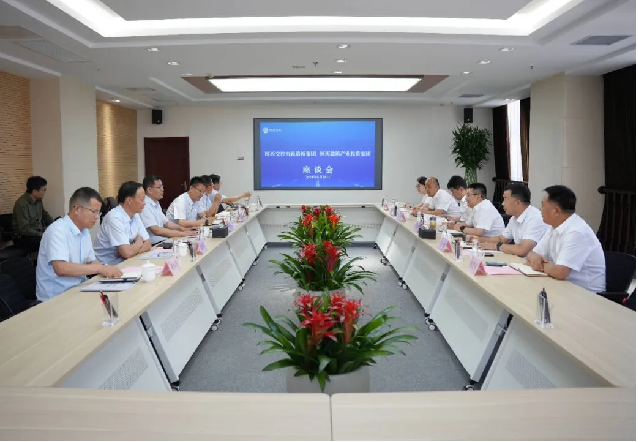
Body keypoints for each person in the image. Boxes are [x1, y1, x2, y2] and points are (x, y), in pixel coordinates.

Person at [36, 187, 122, 301]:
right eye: (94, 212)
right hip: (56, 298)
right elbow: (61, 268)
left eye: (99, 212)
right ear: (77, 209)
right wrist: (100, 268)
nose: (97, 217)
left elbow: (91, 261)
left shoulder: (84, 231)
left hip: (78, 289)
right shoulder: (57, 231)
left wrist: (107, 268)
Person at [526, 185, 606, 292]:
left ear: (556, 211)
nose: (540, 209)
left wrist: (538, 264)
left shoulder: (576, 232)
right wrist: (536, 260)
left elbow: (560, 272)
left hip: (587, 294)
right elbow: (531, 253)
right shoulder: (554, 227)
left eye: (543, 205)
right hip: (564, 286)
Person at [478, 183, 548, 257]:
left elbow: (522, 250)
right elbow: (502, 239)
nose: (502, 203)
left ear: (517, 202)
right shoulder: (514, 218)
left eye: (505, 199)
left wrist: (497, 246)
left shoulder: (535, 218)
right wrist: (477, 240)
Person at [94, 181, 152, 265]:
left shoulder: (135, 215)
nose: (144, 203)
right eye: (142, 199)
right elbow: (127, 253)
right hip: (107, 266)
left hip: (126, 261)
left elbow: (148, 243)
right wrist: (139, 242)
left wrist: (130, 251)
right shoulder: (114, 217)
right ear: (129, 200)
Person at [140, 175, 193, 245]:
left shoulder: (156, 203)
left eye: (162, 186)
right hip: (153, 243)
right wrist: (181, 233)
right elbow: (156, 230)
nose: (162, 189)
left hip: (162, 239)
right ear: (149, 190)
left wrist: (182, 229)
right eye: (159, 187)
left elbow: (167, 223)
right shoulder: (144, 205)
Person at [12, 176, 54, 253]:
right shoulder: (22, 204)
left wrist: (55, 226)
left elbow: (45, 215)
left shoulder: (38, 200)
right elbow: (25, 229)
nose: (45, 192)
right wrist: (42, 234)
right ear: (34, 191)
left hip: (37, 232)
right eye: (43, 190)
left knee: (58, 236)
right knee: (50, 242)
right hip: (24, 237)